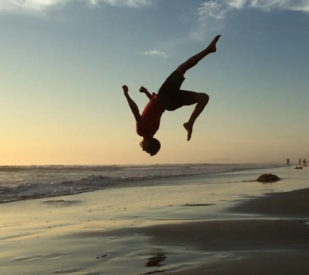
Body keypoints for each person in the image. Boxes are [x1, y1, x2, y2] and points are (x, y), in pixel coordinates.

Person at [122, 35, 221, 156]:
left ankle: (190, 123)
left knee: (204, 98)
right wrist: (126, 94)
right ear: (150, 144)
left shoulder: (154, 130)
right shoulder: (141, 131)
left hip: (170, 105)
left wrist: (146, 92)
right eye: (146, 150)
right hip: (165, 98)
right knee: (182, 67)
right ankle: (209, 49)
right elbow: (135, 111)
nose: (143, 149)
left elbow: (155, 106)